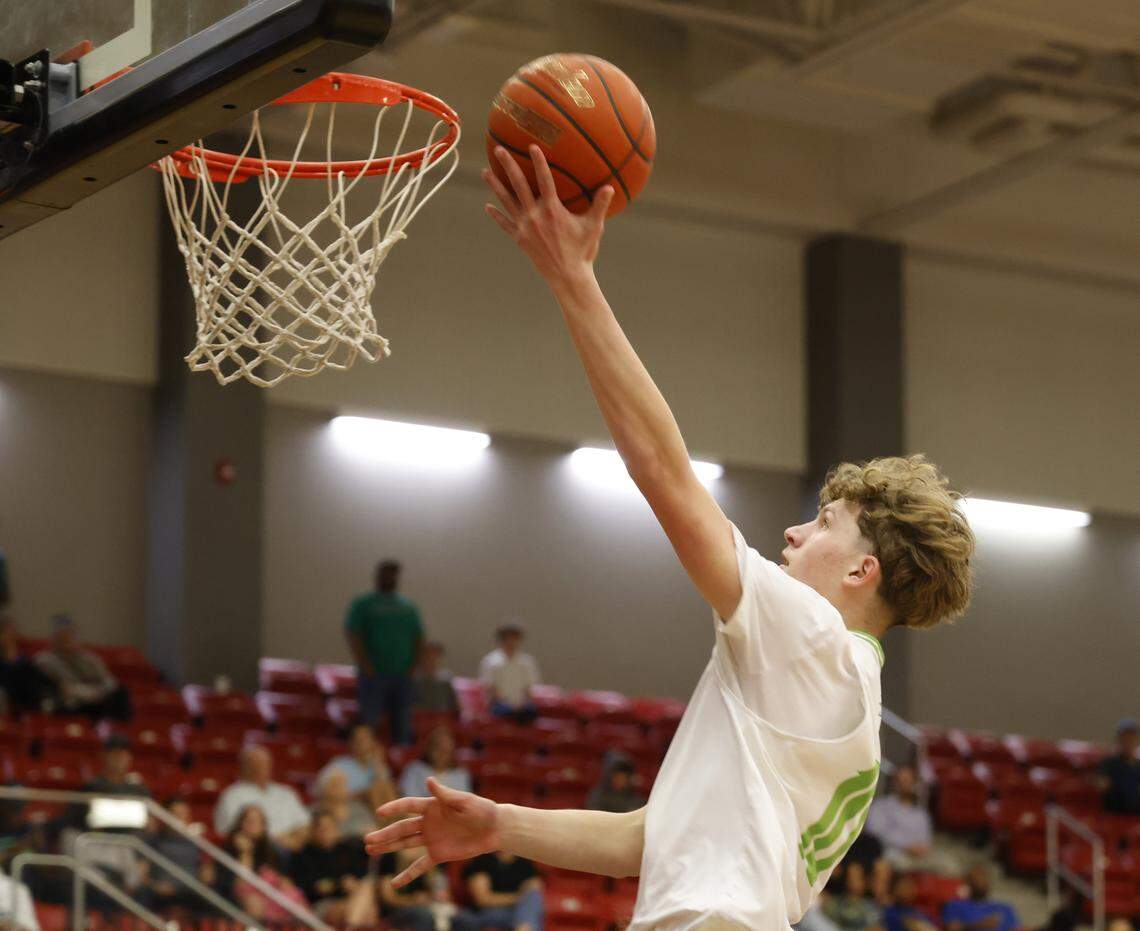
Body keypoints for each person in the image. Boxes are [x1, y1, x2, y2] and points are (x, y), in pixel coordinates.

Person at [364, 146, 975, 929]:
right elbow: (653, 835)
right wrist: (501, 825)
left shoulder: (812, 638)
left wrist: (572, 277)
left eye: (822, 522)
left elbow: (662, 471)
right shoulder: (833, 695)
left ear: (863, 568)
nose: (792, 530)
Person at [345, 559, 423, 745]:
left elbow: (418, 637)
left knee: (402, 724)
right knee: (369, 722)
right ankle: (366, 759)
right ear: (378, 576)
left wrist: (412, 667)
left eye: (394, 574)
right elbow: (353, 633)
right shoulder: (364, 603)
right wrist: (365, 664)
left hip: (402, 676)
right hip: (373, 675)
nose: (390, 578)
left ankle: (400, 759)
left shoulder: (408, 607)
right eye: (386, 573)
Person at [33, 614, 131, 720]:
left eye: (70, 635)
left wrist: (100, 691)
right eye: (62, 636)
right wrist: (88, 693)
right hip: (68, 702)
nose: (67, 639)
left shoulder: (89, 659)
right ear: (54, 639)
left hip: (96, 698)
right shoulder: (44, 660)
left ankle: (120, 731)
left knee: (120, 693)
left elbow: (109, 681)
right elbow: (61, 687)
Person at [220, 805, 308, 923]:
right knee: (254, 903)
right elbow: (240, 883)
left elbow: (282, 877)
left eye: (258, 821)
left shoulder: (271, 849)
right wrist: (245, 853)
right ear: (241, 824)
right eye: (249, 821)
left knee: (296, 898)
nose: (254, 825)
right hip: (240, 894)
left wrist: (283, 884)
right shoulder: (230, 848)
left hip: (270, 892)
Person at [288, 810, 376, 926]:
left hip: (354, 899)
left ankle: (351, 925)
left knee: (366, 892)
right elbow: (310, 888)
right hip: (323, 904)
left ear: (337, 829)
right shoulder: (303, 856)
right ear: (313, 831)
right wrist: (340, 884)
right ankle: (352, 924)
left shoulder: (348, 848)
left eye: (330, 827)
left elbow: (362, 875)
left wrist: (353, 885)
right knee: (363, 910)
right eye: (322, 828)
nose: (326, 832)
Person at [213, 746, 311, 850]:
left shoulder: (286, 793)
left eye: (266, 763)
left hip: (293, 847)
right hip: (258, 849)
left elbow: (304, 824)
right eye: (256, 764)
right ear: (245, 767)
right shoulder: (232, 795)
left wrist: (293, 841)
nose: (262, 768)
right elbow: (234, 832)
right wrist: (275, 840)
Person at [865, 764, 957, 874]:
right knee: (893, 861)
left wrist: (921, 848)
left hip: (919, 856)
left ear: (914, 783)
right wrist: (906, 846)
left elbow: (926, 841)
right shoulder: (880, 806)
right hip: (894, 853)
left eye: (908, 780)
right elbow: (874, 832)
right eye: (901, 780)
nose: (905, 784)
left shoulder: (921, 814)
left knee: (949, 864)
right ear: (894, 782)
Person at [143, 796, 216, 915]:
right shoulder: (154, 840)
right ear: (165, 816)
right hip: (160, 892)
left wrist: (204, 877)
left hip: (191, 892)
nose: (179, 818)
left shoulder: (198, 843)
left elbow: (207, 873)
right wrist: (155, 886)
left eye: (183, 814)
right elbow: (141, 874)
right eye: (175, 814)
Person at [315, 721, 398, 812]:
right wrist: (360, 795)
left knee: (383, 789)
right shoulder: (339, 764)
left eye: (367, 738)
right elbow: (320, 791)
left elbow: (390, 793)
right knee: (374, 793)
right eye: (359, 739)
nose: (363, 743)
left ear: (374, 742)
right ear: (351, 743)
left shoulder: (378, 765)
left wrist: (378, 763)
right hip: (348, 809)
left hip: (372, 813)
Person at [453, 851, 544, 931]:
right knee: (530, 917)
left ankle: (523, 927)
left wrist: (524, 898)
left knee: (533, 898)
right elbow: (483, 899)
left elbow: (535, 889)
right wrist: (518, 897)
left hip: (516, 912)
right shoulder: (482, 862)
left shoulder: (524, 863)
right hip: (489, 912)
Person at [378, 845, 454, 931]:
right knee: (423, 916)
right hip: (400, 909)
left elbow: (444, 893)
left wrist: (432, 898)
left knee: (462, 919)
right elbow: (388, 897)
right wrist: (413, 901)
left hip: (431, 906)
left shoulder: (433, 855)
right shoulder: (391, 857)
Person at [479, 624, 540, 723]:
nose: (510, 642)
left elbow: (529, 688)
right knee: (506, 712)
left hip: (521, 704)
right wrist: (508, 704)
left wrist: (523, 703)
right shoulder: (490, 661)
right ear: (500, 640)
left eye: (514, 639)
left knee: (530, 712)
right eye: (507, 639)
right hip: (499, 704)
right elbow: (490, 688)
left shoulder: (527, 662)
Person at [0, 617, 57, 714]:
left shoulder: (24, 658)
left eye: (12, 632)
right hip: (13, 692)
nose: (11, 635)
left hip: (34, 692)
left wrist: (57, 685)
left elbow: (39, 676)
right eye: (7, 632)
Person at [399, 726, 472, 799]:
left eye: (446, 750)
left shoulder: (461, 774)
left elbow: (464, 802)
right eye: (438, 748)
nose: (441, 754)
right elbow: (409, 799)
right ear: (429, 748)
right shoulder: (414, 770)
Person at [942, 864, 1018, 931]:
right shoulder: (954, 905)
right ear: (967, 882)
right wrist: (979, 925)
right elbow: (951, 928)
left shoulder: (1004, 908)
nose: (981, 882)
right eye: (976, 879)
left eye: (984, 878)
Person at [311, 769, 378, 839]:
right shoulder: (315, 812)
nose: (344, 789)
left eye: (344, 784)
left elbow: (372, 830)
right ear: (324, 788)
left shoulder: (357, 807)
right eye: (337, 785)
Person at [1096, 719, 1140, 815]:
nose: (1128, 742)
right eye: (1125, 738)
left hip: (1135, 817)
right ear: (1119, 739)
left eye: (1131, 738)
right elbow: (1102, 784)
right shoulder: (1108, 764)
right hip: (1114, 815)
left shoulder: (1138, 766)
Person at [822, 862, 883, 931]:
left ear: (864, 881)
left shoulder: (871, 906)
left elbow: (875, 927)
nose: (853, 880)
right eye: (850, 877)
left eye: (857, 877)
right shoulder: (834, 903)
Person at [412, 640, 460, 716]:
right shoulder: (413, 681)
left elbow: (455, 709)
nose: (431, 661)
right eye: (427, 657)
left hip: (442, 722)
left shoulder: (446, 680)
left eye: (435, 658)